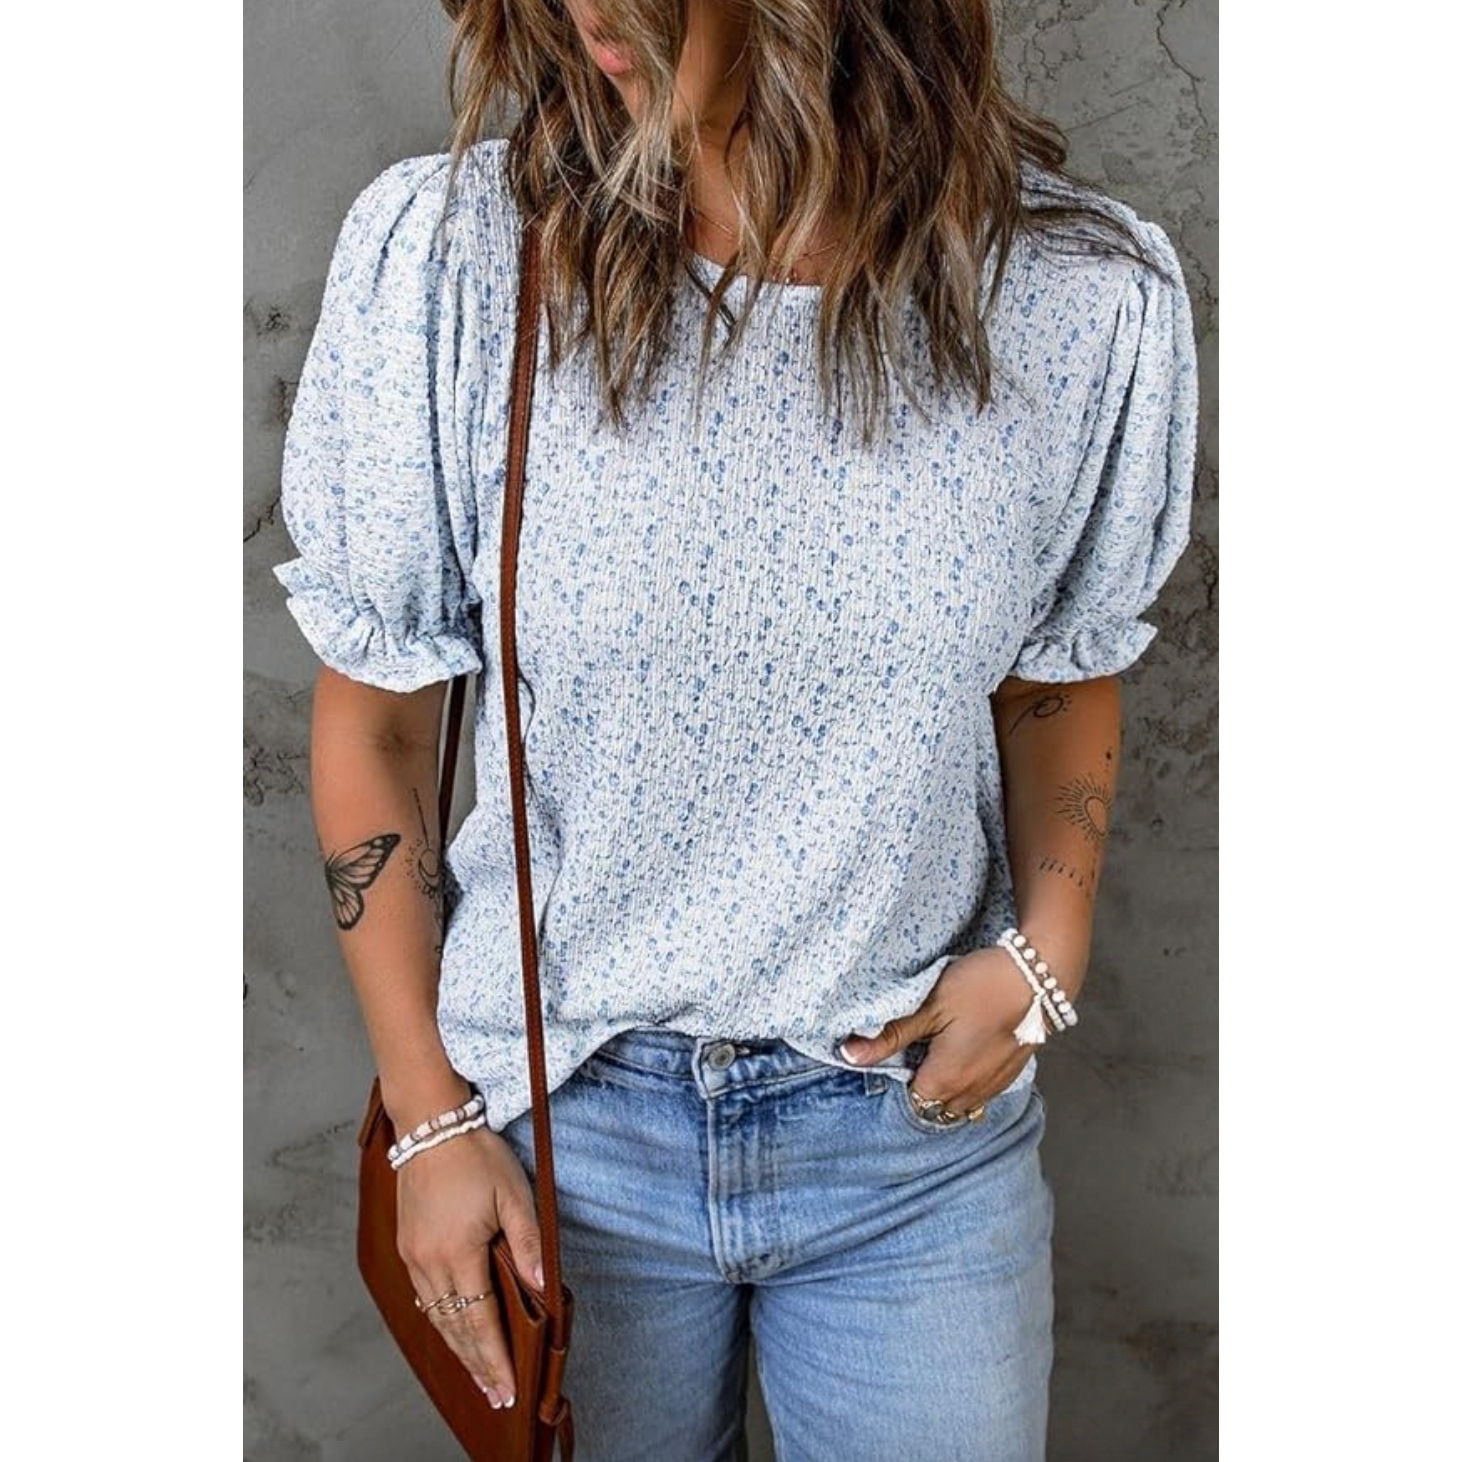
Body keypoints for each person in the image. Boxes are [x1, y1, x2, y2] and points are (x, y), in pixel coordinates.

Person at [272, 1, 1198, 1457]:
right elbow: (379, 725)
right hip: (567, 1136)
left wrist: (1048, 955)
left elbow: (1054, 669)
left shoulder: (1073, 296)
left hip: (909, 1140)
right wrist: (430, 1117)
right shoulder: (461, 261)